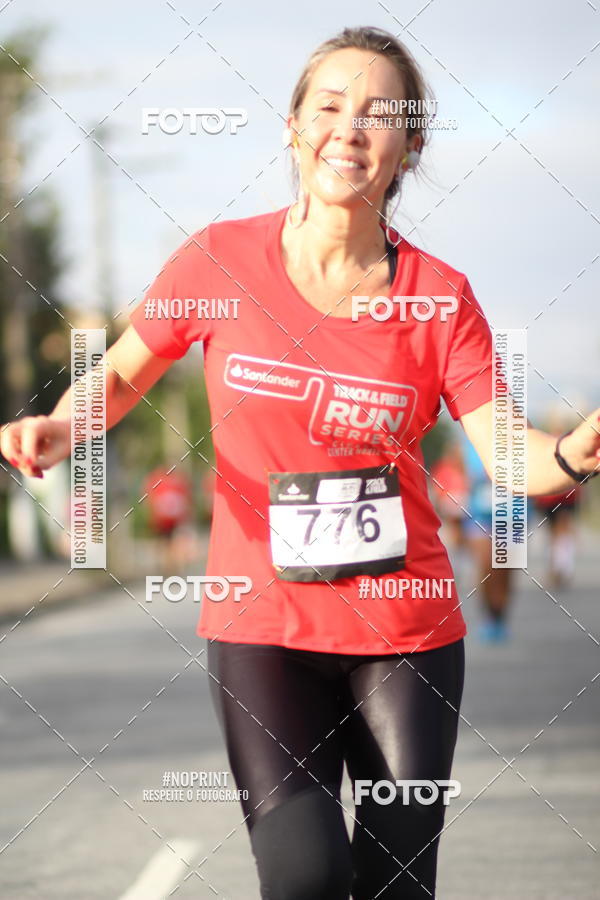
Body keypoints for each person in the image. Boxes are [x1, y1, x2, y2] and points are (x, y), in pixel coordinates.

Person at [2, 26, 600, 900]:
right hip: (261, 631)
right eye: (329, 106)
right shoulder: (218, 259)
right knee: (307, 879)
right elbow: (126, 374)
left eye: (379, 115)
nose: (349, 128)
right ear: (293, 127)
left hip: (408, 631)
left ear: (410, 149)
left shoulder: (440, 298)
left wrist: (574, 455)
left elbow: (507, 449)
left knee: (398, 886)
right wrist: (59, 423)